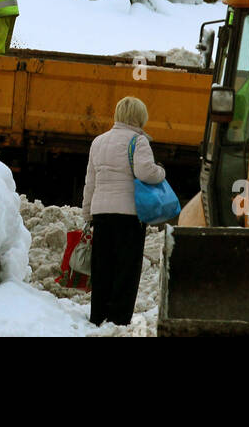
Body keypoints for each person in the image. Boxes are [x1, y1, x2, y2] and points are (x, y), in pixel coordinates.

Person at [81, 96, 165, 326]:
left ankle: (98, 315)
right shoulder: (138, 141)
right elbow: (145, 172)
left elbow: (90, 182)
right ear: (140, 117)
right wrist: (161, 172)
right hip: (129, 215)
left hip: (102, 213)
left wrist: (87, 214)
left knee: (103, 266)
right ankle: (118, 318)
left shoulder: (98, 142)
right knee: (126, 268)